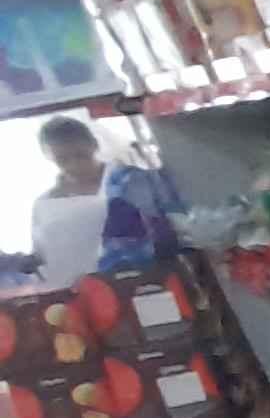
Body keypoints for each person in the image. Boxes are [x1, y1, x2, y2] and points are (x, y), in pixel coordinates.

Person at [26, 115, 176, 288]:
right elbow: (40, 256)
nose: (74, 165)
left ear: (94, 145)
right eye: (62, 160)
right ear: (49, 157)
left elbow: (169, 230)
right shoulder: (44, 205)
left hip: (140, 284)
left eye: (81, 156)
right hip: (73, 293)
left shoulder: (130, 182)